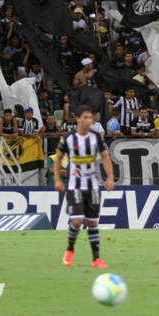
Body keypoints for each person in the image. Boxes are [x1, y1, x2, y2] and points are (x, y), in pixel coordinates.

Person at [54, 105, 114, 268]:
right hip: (75, 185)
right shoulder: (69, 138)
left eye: (90, 117)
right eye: (85, 117)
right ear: (78, 119)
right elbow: (58, 158)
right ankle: (70, 249)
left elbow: (105, 157)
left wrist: (110, 177)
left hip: (92, 186)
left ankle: (96, 259)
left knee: (93, 222)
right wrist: (57, 179)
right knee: (77, 221)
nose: (89, 120)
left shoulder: (95, 137)